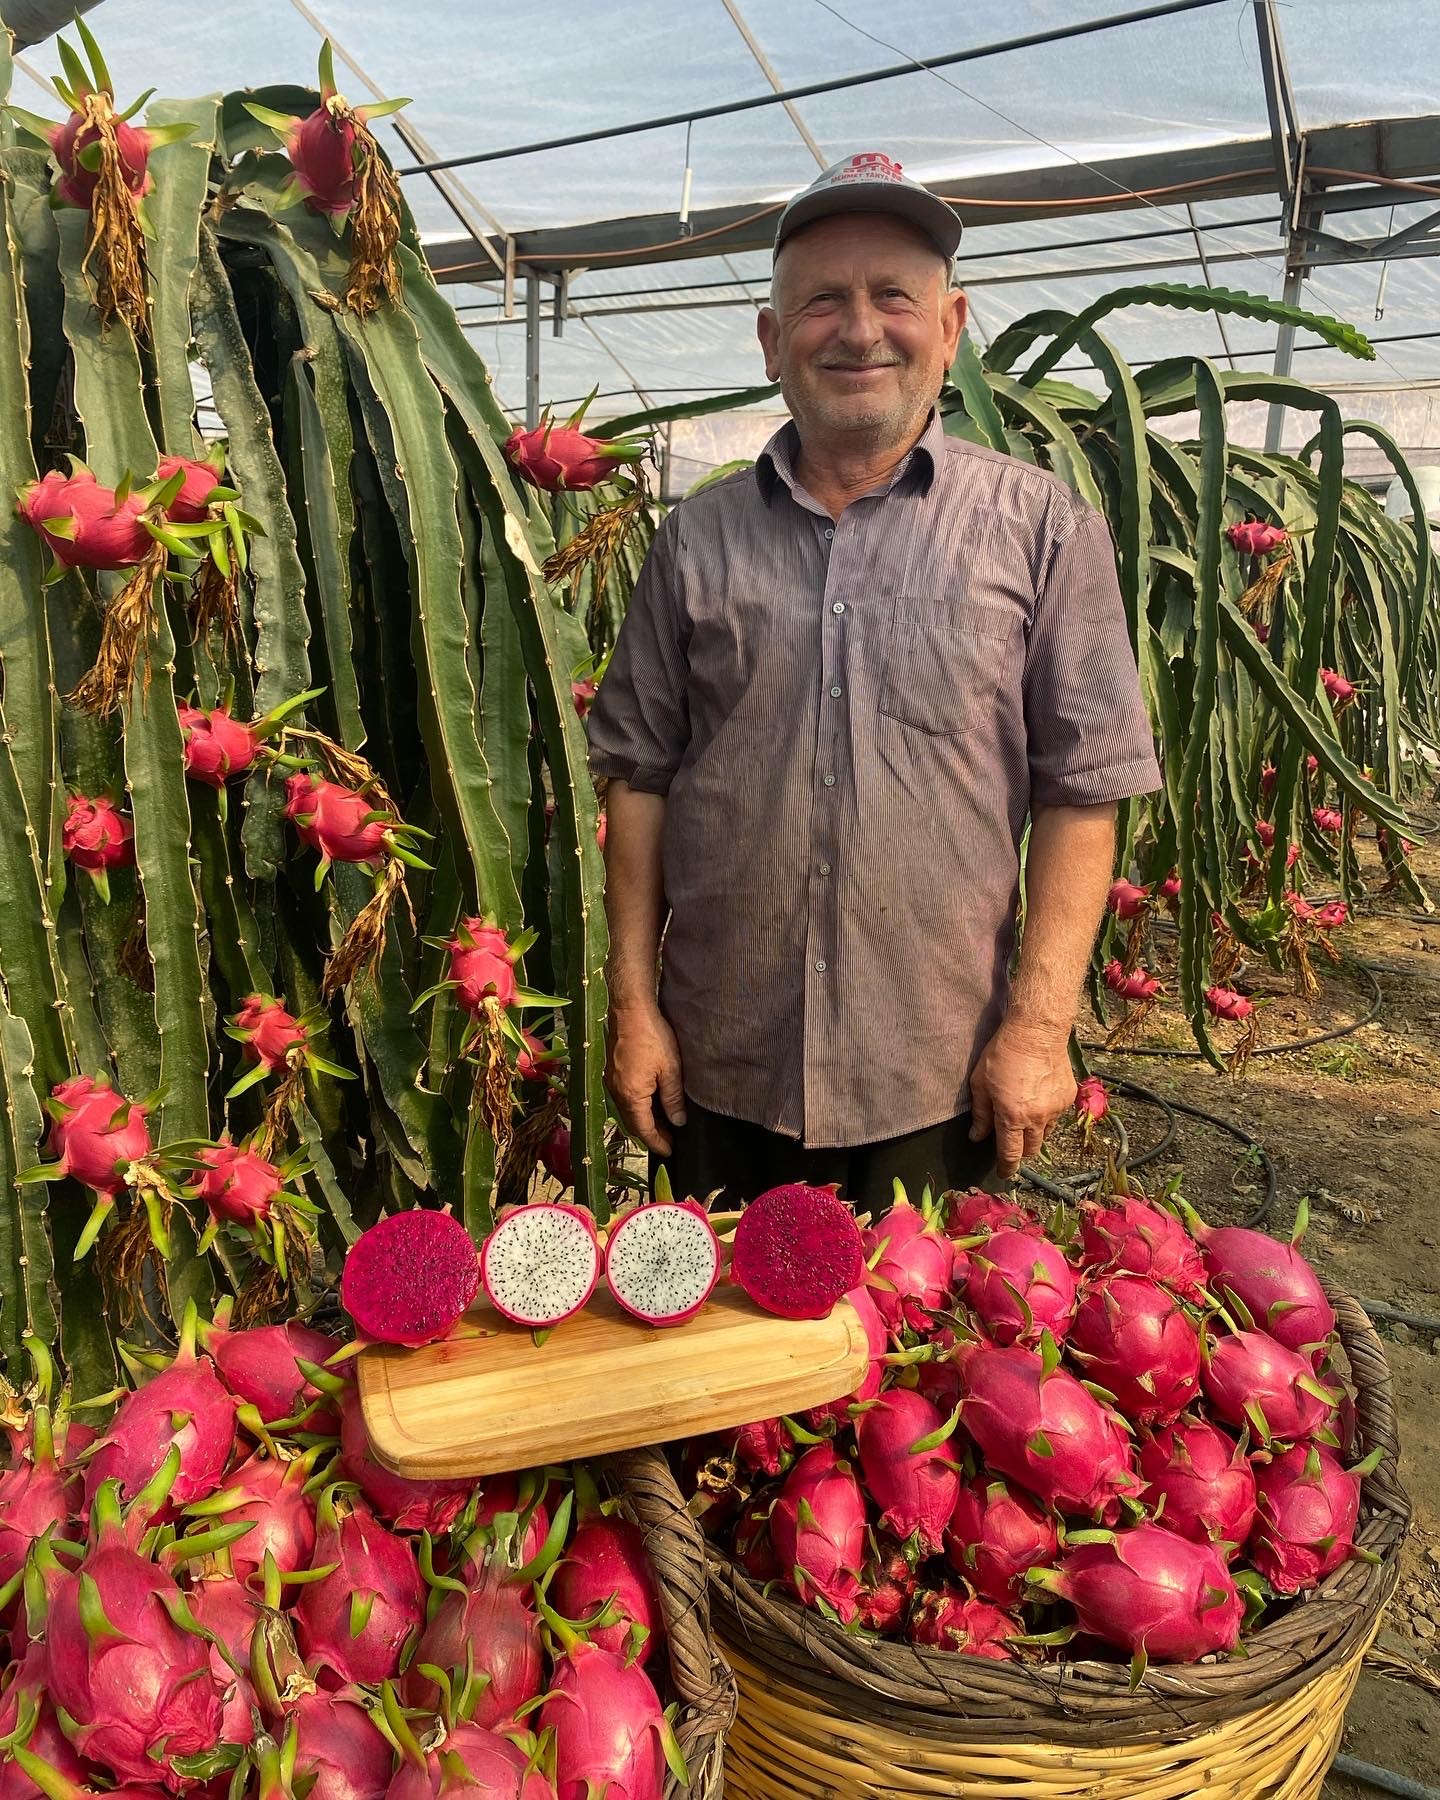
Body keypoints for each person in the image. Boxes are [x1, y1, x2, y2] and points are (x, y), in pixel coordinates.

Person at [586, 151, 1160, 1210]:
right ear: (771, 342)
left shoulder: (1040, 530)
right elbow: (638, 775)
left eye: (895, 296)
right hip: (720, 1070)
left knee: (916, 1365)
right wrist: (634, 1003)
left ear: (949, 330)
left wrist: (1038, 1029)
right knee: (722, 1369)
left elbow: (1084, 790)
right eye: (821, 301)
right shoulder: (693, 545)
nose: (859, 329)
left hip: (935, 1080)